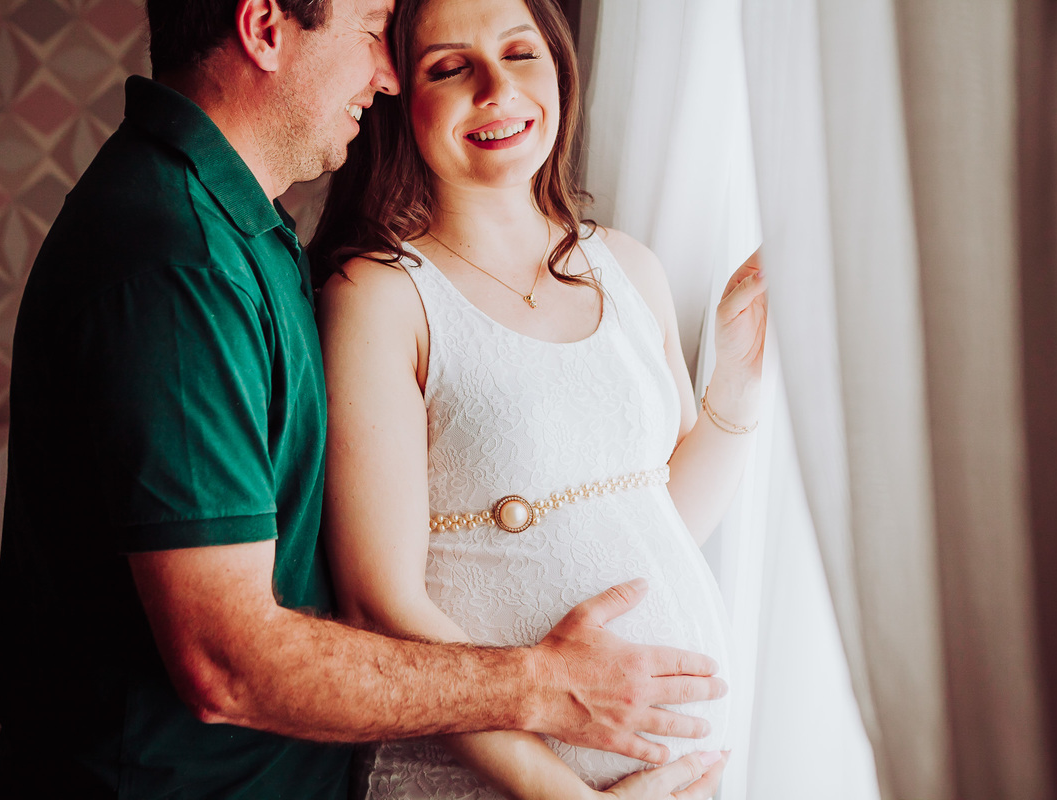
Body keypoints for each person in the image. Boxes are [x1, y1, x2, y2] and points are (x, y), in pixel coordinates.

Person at [0, 0, 732, 797]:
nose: (387, 76)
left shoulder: (240, 228)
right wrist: (540, 687)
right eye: (375, 31)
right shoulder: (179, 265)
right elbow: (225, 662)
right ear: (265, 28)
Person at [309, 0, 768, 796]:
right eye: (450, 68)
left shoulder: (629, 268)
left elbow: (659, 524)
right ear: (398, 99)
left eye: (520, 53)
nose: (497, 88)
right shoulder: (379, 296)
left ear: (560, 67)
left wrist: (737, 384)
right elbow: (377, 604)